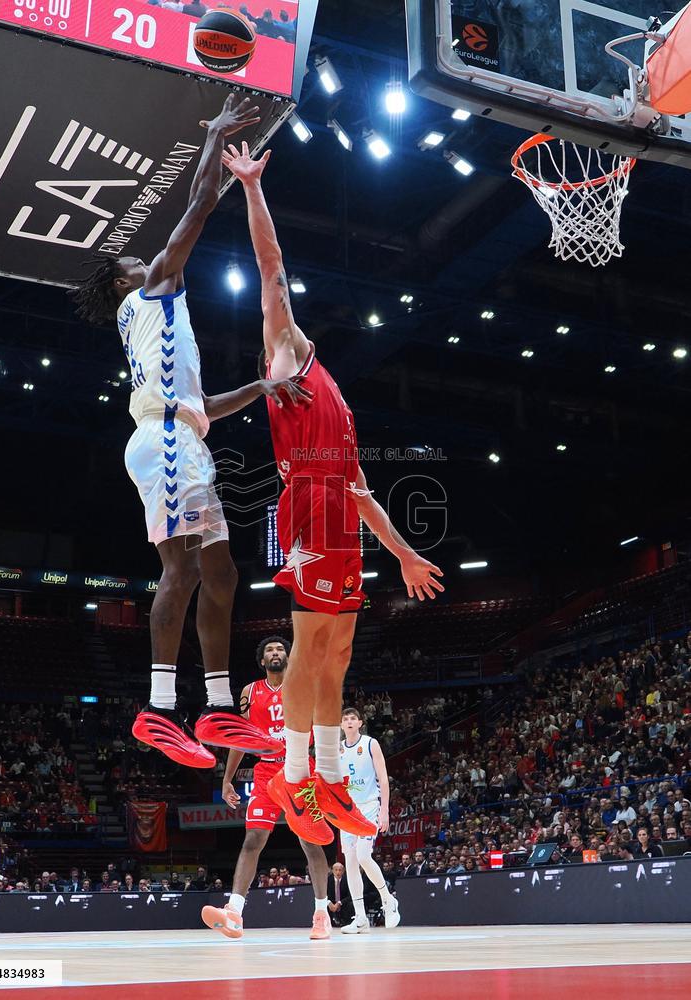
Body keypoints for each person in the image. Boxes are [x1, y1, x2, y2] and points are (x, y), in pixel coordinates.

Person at [72, 96, 307, 769]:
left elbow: (204, 402)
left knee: (222, 571)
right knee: (180, 567)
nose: (149, 257)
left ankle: (218, 709)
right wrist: (212, 139)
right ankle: (158, 710)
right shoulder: (150, 293)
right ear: (126, 280)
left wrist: (262, 388)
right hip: (167, 443)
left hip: (183, 436)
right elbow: (200, 203)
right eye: (135, 257)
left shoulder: (158, 319)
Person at [222, 141, 445, 846]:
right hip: (307, 510)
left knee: (339, 651)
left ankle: (323, 775)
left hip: (340, 516)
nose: (285, 320)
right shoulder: (283, 352)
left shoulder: (334, 396)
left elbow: (365, 494)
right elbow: (271, 266)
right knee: (311, 641)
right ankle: (301, 773)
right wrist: (253, 187)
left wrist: (407, 556)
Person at [202, 637, 331, 940]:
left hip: (299, 769)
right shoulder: (250, 691)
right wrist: (227, 778)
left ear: (288, 657)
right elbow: (240, 737)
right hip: (266, 772)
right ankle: (235, 913)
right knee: (253, 839)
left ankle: (322, 913)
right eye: (270, 651)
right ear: (262, 661)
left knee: (310, 842)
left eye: (280, 650)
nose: (276, 653)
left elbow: (325, 725)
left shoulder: (304, 683)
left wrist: (326, 771)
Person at [338, 706, 400, 934]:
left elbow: (383, 779)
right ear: (342, 725)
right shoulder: (338, 749)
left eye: (353, 718)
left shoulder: (371, 743)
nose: (350, 721)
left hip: (369, 806)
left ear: (360, 723)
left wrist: (384, 810)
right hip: (347, 811)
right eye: (346, 719)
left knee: (364, 856)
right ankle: (361, 918)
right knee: (351, 862)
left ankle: (388, 899)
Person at [326, 862, 352, 928]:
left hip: (343, 902)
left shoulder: (348, 880)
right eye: (336, 870)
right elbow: (324, 894)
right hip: (331, 902)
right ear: (332, 870)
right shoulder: (327, 880)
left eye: (340, 870)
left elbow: (350, 896)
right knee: (324, 904)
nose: (338, 872)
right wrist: (329, 902)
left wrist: (339, 903)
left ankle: (346, 922)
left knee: (350, 904)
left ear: (343, 871)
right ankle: (328, 923)